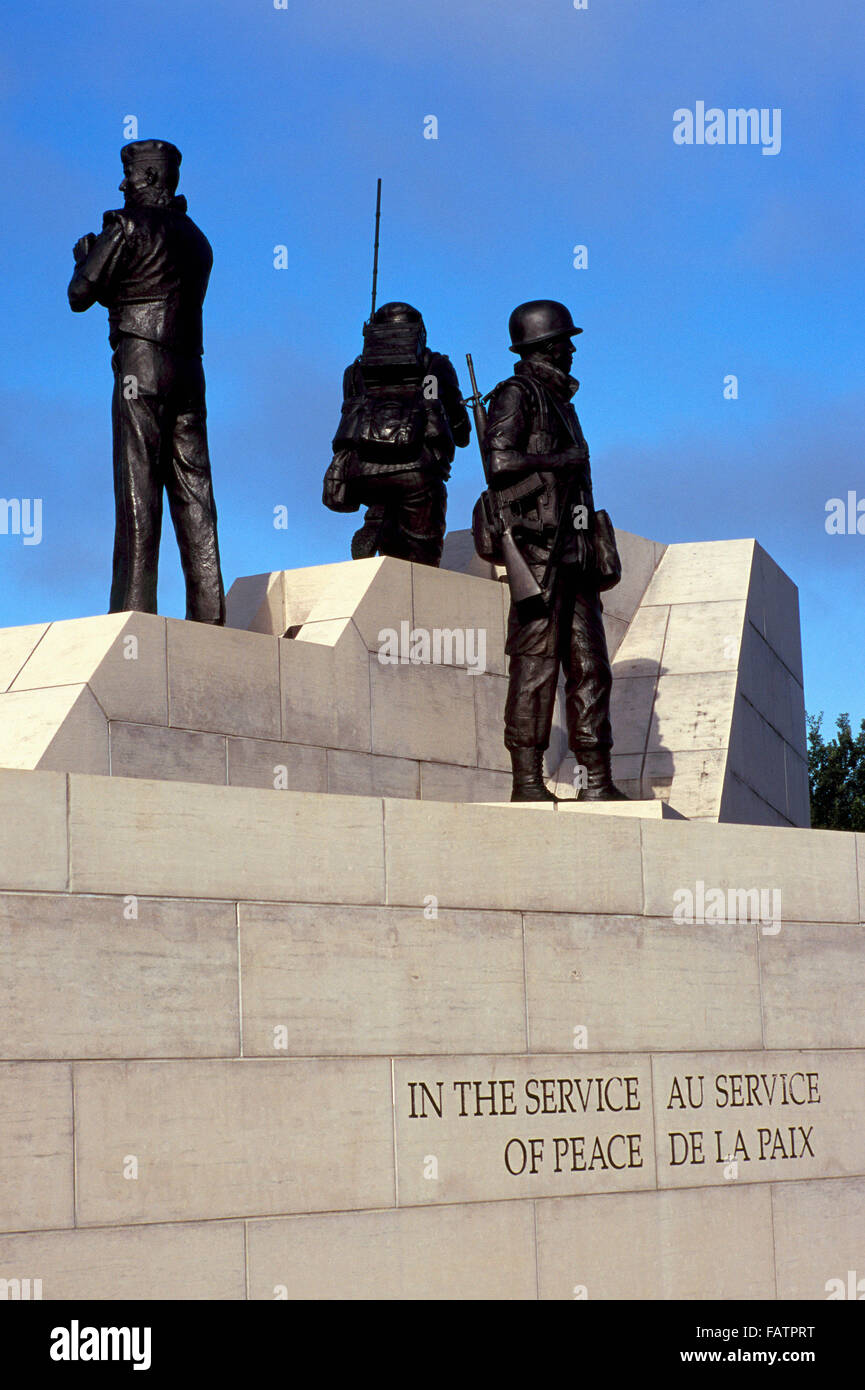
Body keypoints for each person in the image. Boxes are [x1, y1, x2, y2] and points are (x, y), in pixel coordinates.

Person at [68, 139, 225, 623]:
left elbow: (79, 292)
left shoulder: (126, 225)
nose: (122, 183)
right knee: (196, 493)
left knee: (137, 491)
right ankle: (210, 615)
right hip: (189, 373)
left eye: (130, 175)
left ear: (152, 179)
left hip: (141, 367)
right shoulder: (199, 240)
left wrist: (84, 257)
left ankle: (133, 611)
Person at [484, 299, 627, 802]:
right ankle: (527, 781)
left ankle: (596, 781)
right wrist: (562, 457)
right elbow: (500, 460)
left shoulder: (563, 402)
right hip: (538, 558)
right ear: (546, 347)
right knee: (535, 669)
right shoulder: (515, 396)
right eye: (564, 342)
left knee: (591, 668)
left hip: (574, 556)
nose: (571, 350)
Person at [324, 302, 470, 566]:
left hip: (362, 473)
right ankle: (385, 526)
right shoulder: (434, 366)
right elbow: (460, 428)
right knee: (423, 546)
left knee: (388, 541)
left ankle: (377, 516)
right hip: (417, 469)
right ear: (419, 332)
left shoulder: (355, 371)